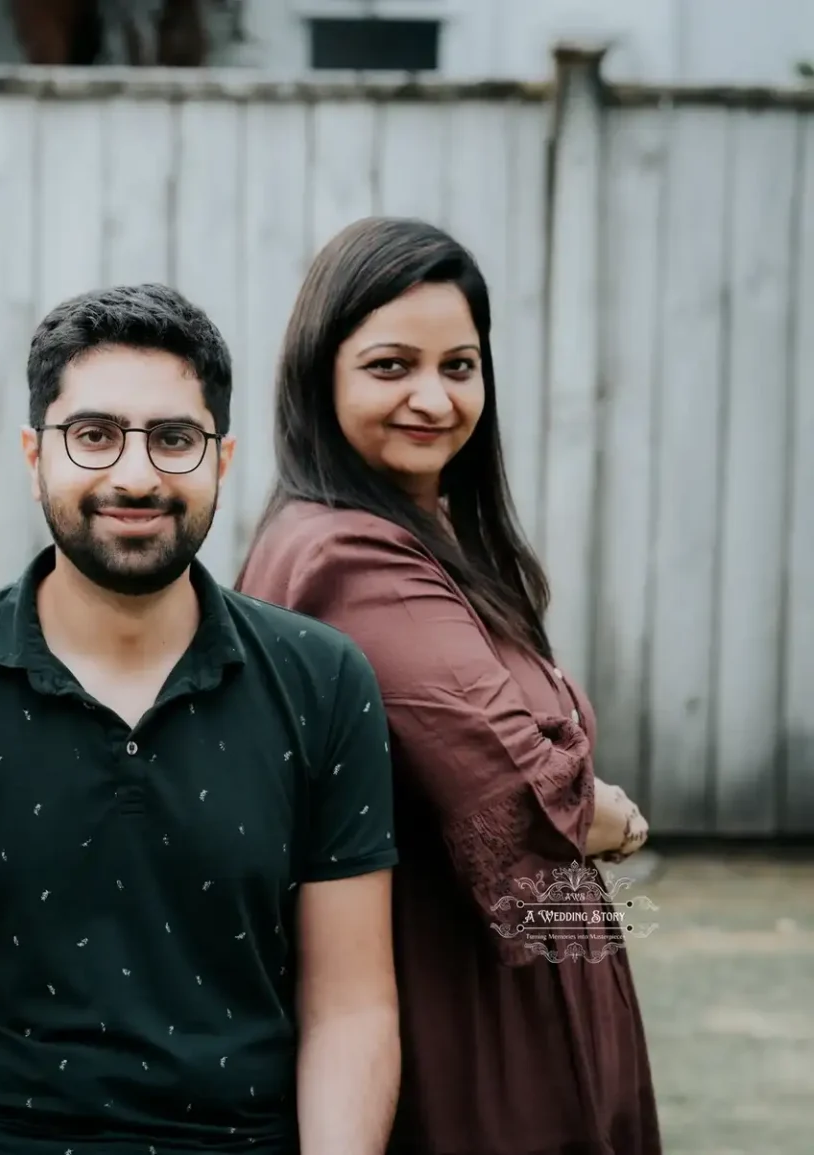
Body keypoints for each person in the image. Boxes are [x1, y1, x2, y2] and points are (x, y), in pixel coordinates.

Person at [0, 283, 401, 1155]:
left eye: (175, 439)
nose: (135, 475)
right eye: (93, 435)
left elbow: (352, 1007)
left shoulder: (323, 680)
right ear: (33, 455)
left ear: (222, 458)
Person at [236, 217, 659, 1155]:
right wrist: (613, 817)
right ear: (322, 373)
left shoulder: (415, 532)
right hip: (460, 1014)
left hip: (499, 990)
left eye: (458, 366)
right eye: (392, 365)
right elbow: (520, 792)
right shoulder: (350, 554)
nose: (433, 397)